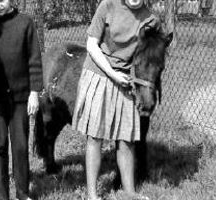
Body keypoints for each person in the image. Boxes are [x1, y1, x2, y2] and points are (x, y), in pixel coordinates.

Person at [71, 0, 160, 199]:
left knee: (127, 139)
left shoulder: (151, 20)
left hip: (127, 79)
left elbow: (150, 56)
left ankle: (129, 193)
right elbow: (91, 45)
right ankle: (92, 195)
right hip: (100, 72)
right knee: (95, 137)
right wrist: (112, 74)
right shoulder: (107, 5)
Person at [0, 0, 42, 199]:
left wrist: (34, 92)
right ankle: (2, 195)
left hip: (20, 97)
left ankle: (22, 193)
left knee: (20, 147)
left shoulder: (26, 23)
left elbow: (34, 59)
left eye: (1, 0)